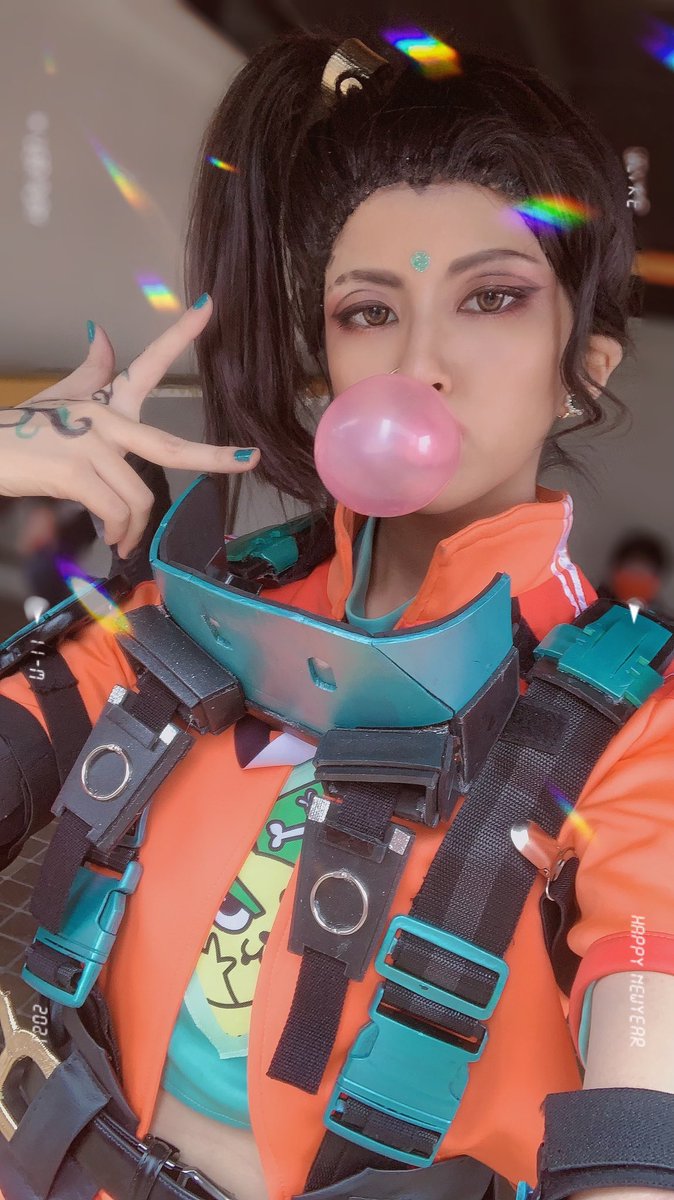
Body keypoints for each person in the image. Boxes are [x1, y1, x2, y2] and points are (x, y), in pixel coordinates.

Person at [0, 30, 674, 1200]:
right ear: (326, 358)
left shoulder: (631, 732)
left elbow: (639, 1122)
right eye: (368, 310)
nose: (421, 362)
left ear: (585, 365)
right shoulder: (186, 617)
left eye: (492, 298)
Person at [597, 530, 673, 621]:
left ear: (657, 580)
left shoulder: (665, 625)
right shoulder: (590, 606)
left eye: (643, 572)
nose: (636, 578)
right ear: (615, 570)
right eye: (632, 569)